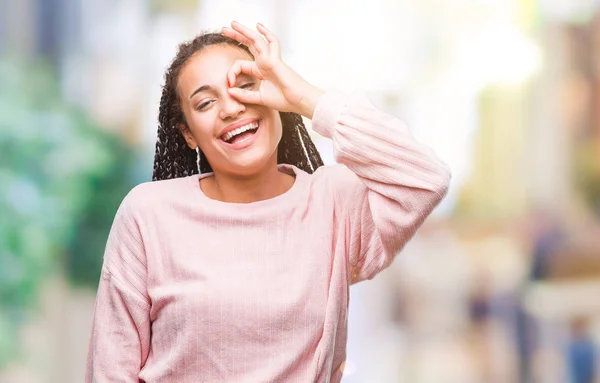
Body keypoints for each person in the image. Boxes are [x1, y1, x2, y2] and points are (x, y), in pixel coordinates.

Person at [86, 21, 451, 383]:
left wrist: (305, 97)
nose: (231, 108)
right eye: (206, 102)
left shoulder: (333, 202)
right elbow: (111, 370)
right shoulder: (148, 215)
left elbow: (425, 178)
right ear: (188, 134)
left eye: (247, 87)